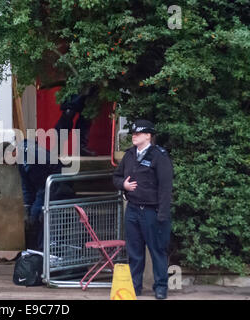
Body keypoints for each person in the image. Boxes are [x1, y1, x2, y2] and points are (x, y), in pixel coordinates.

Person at [112, 119, 173, 300]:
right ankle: (134, 286)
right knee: (134, 251)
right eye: (133, 133)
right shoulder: (129, 155)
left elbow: (165, 188)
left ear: (148, 135)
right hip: (132, 209)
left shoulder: (159, 156)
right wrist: (123, 184)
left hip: (151, 210)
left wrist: (162, 213)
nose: (134, 136)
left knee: (157, 250)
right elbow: (116, 177)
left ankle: (161, 287)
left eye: (138, 133)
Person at [54, 87, 98, 157]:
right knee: (69, 111)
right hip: (77, 80)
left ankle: (81, 147)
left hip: (95, 80)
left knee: (87, 112)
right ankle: (58, 144)